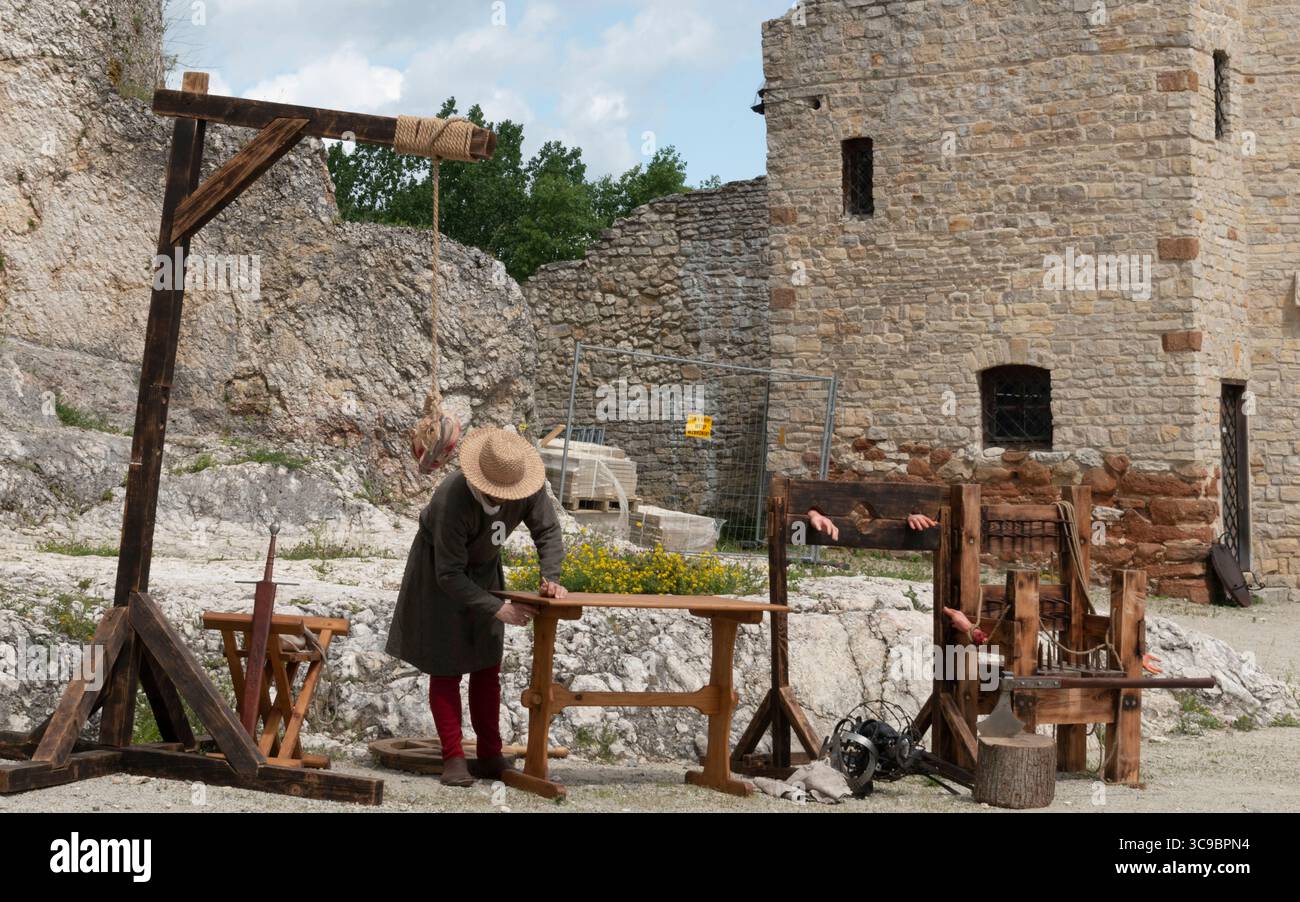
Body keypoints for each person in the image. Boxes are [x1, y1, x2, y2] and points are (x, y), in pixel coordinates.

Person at [386, 427, 566, 787]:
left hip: (484, 573)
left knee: (486, 665)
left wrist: (551, 577)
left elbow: (547, 531)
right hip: (438, 574)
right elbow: (449, 574)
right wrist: (498, 609)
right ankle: (453, 756)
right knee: (446, 664)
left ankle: (489, 755)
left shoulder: (525, 485)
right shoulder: (452, 498)